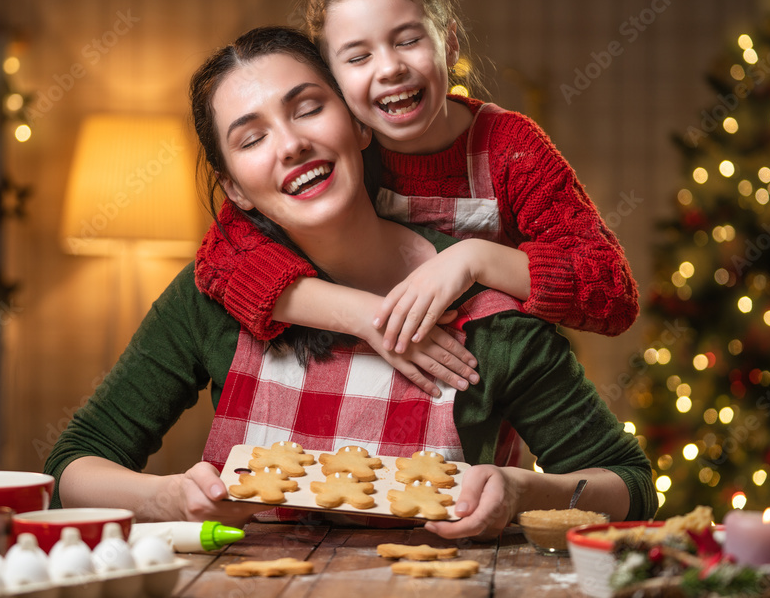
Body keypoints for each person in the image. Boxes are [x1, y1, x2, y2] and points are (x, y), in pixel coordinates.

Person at [45, 27, 656, 539]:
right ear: (233, 187)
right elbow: (71, 468)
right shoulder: (212, 298)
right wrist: (173, 498)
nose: (291, 144)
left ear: (360, 124)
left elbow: (628, 486)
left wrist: (523, 491)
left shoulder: (486, 315)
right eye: (251, 138)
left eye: (308, 107)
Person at [195, 0, 640, 398]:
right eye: (359, 56)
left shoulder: (512, 148)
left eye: (407, 41)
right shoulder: (339, 154)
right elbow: (221, 259)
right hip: (361, 377)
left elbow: (611, 291)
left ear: (448, 43)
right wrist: (365, 317)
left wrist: (475, 259)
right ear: (333, 81)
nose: (389, 68)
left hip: (478, 389)